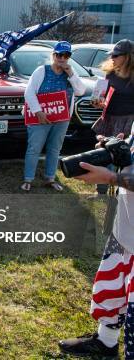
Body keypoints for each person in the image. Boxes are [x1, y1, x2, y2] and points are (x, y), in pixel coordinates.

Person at [58, 123, 134, 359]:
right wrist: (118, 150)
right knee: (111, 290)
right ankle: (106, 341)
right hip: (126, 228)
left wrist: (111, 177)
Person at [21, 41, 87, 192]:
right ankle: (28, 179)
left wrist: (71, 74)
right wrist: (38, 111)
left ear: (69, 57)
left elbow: (80, 91)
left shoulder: (70, 73)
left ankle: (50, 178)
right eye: (59, 55)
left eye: (66, 55)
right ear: (53, 55)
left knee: (55, 149)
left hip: (62, 119)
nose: (62, 58)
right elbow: (29, 92)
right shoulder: (41, 71)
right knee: (34, 148)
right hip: (39, 118)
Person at [91, 39, 134, 195]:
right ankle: (100, 191)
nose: (112, 58)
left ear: (127, 57)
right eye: (112, 55)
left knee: (124, 157)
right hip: (109, 119)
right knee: (103, 153)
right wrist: (98, 103)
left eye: (116, 55)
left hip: (128, 122)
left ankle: (121, 191)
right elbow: (103, 98)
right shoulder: (110, 74)